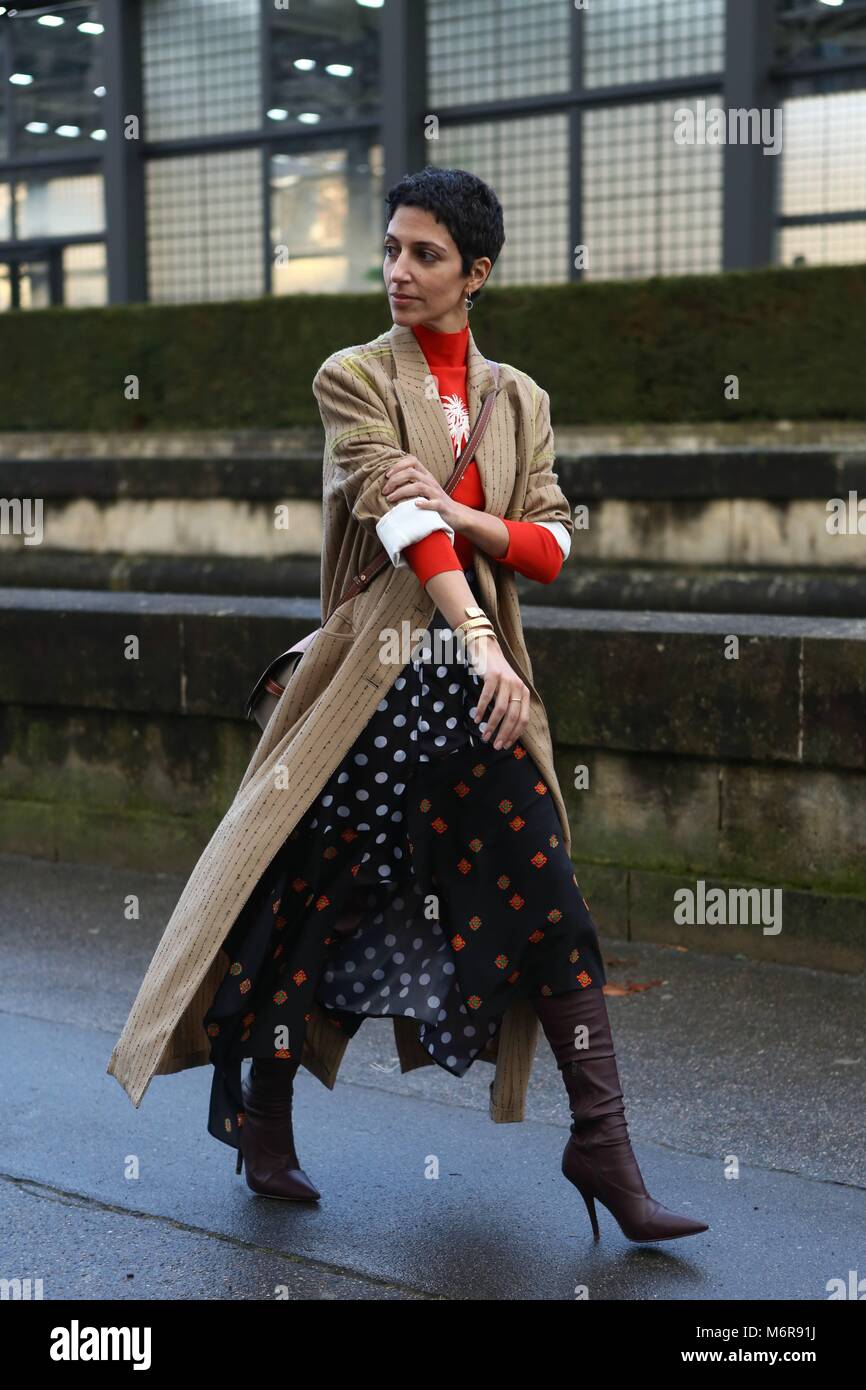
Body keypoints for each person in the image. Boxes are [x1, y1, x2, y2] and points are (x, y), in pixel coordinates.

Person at [197, 167, 708, 1243]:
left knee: (549, 895)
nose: (397, 271)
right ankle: (264, 1115)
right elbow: (397, 523)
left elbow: (555, 542)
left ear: (475, 273)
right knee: (313, 905)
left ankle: (601, 1148)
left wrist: (474, 526)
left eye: (423, 255)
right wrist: (476, 625)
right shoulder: (351, 376)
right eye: (389, 249)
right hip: (369, 690)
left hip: (481, 698)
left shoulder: (518, 397)